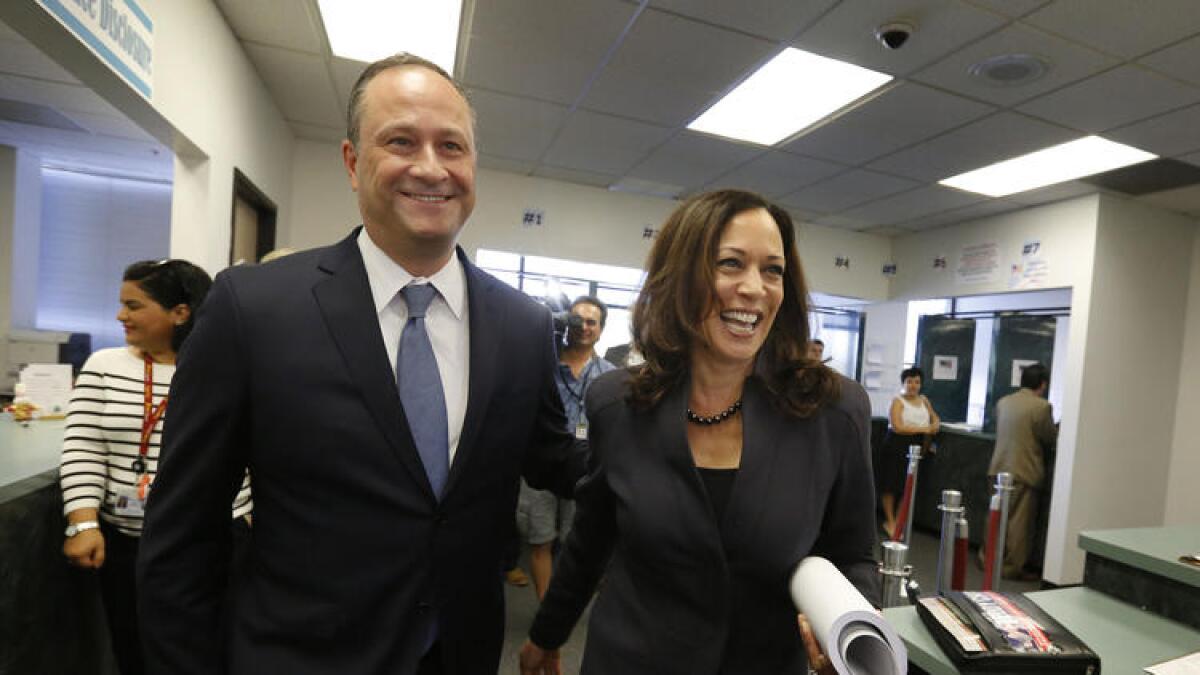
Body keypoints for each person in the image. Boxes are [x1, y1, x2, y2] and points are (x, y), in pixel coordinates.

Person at [137, 53, 582, 675]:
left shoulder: (521, 324)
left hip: (460, 654)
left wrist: (674, 415)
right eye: (401, 141)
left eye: (451, 145)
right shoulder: (254, 308)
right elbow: (184, 530)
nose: (431, 167)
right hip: (298, 656)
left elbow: (554, 457)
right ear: (352, 162)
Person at [519, 189, 878, 675]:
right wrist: (546, 635)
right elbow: (591, 538)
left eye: (773, 270)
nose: (755, 288)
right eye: (730, 264)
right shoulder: (616, 403)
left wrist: (849, 630)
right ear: (680, 277)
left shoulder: (834, 412)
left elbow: (852, 555)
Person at [59, 259, 253, 675]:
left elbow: (253, 444)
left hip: (214, 542)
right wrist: (83, 523)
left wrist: (251, 514)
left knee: (214, 652)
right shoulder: (104, 366)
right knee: (135, 652)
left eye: (133, 305)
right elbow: (84, 447)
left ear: (179, 313)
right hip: (127, 543)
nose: (120, 316)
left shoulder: (227, 365)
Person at [518, 296, 616, 599]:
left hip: (587, 469)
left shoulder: (611, 375)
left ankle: (563, 608)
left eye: (591, 322)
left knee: (579, 541)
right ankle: (545, 610)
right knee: (540, 540)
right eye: (576, 320)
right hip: (542, 466)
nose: (583, 327)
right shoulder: (543, 365)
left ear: (600, 330)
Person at [989, 362, 1056, 580]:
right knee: (1019, 524)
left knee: (996, 517)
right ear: (1043, 384)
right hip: (1025, 469)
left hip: (999, 466)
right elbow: (1049, 438)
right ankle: (1011, 567)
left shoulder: (1003, 402)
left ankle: (987, 558)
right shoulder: (1041, 407)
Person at [878, 367, 940, 536]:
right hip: (896, 446)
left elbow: (935, 418)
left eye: (917, 382)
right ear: (904, 383)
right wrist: (925, 429)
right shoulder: (897, 401)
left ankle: (899, 521)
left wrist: (934, 425)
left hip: (917, 448)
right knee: (890, 485)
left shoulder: (924, 400)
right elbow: (898, 426)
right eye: (910, 381)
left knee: (907, 487)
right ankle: (889, 521)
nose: (913, 385)